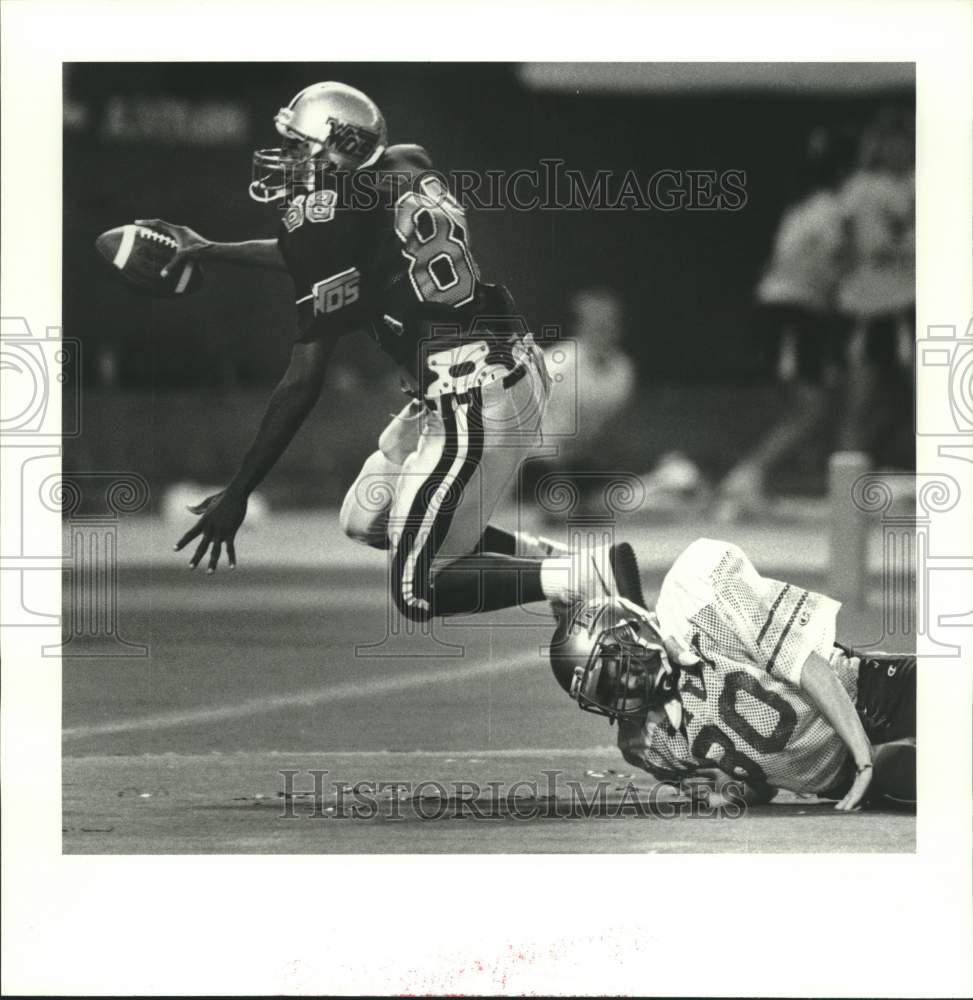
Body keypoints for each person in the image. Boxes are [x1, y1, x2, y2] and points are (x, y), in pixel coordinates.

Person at [139, 81, 638, 619]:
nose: (285, 159)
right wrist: (214, 250)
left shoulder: (326, 228)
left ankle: (587, 576)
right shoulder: (409, 162)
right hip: (490, 368)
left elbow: (302, 381)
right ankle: (556, 560)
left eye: (297, 147)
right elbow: (340, 253)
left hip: (472, 393)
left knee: (416, 590)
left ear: (343, 149)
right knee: (368, 518)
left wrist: (238, 491)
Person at [550, 537, 916, 810]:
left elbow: (806, 664)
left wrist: (863, 757)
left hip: (878, 697)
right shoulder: (646, 745)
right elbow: (763, 788)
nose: (624, 688)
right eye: (605, 692)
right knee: (910, 772)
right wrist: (726, 790)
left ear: (634, 634)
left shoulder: (694, 603)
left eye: (618, 670)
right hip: (845, 778)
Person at [715, 126, 856, 521]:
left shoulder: (803, 208)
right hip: (793, 311)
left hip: (787, 311)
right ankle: (744, 478)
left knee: (804, 405)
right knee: (810, 408)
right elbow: (830, 264)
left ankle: (751, 478)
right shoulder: (830, 209)